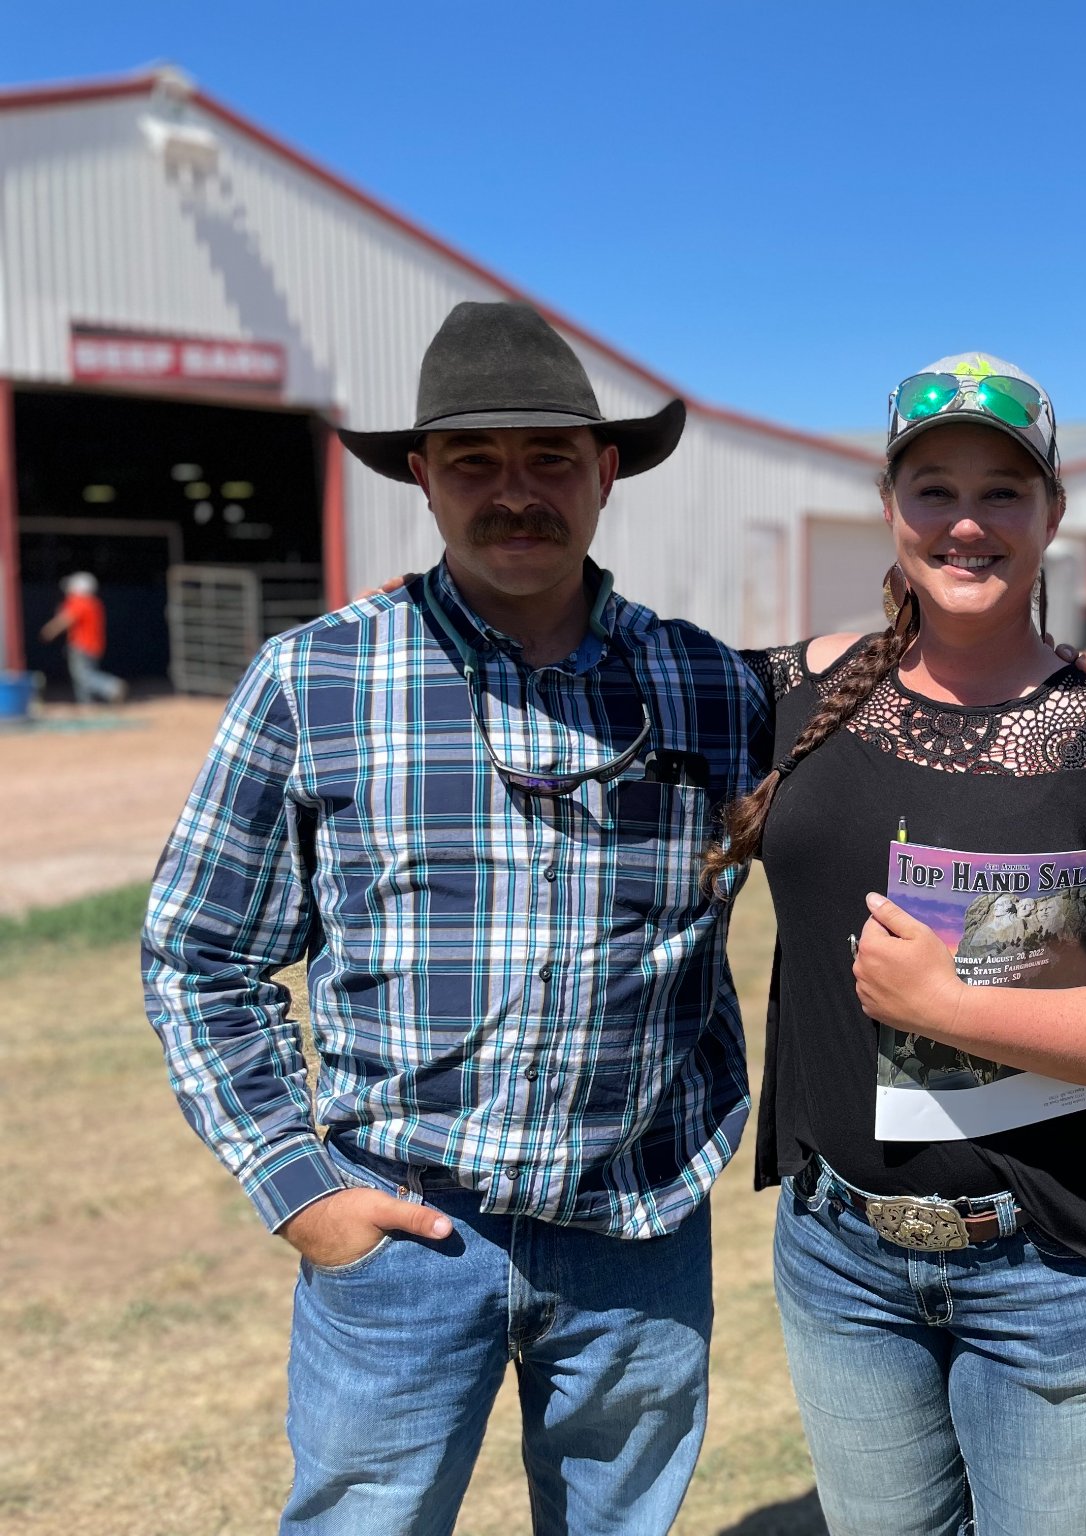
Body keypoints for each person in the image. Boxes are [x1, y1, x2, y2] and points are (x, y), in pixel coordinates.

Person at [142, 302, 761, 1536]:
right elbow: (201, 956)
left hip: (634, 1230)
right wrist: (299, 1188)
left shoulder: (711, 686)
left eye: (548, 460)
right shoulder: (316, 678)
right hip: (404, 1234)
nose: (513, 493)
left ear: (608, 472)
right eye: (474, 463)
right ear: (420, 479)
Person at [703, 353, 1086, 1536]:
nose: (966, 521)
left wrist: (951, 1008)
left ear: (1051, 514)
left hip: (1058, 1277)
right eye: (931, 487)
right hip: (839, 1262)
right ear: (888, 509)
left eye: (1002, 491)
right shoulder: (799, 690)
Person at [39, 570, 125, 703]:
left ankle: (111, 686)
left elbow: (65, 619)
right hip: (95, 645)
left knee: (83, 676)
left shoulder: (80, 602)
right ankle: (86, 704)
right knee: (82, 677)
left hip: (82, 645)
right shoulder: (94, 602)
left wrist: (49, 630)